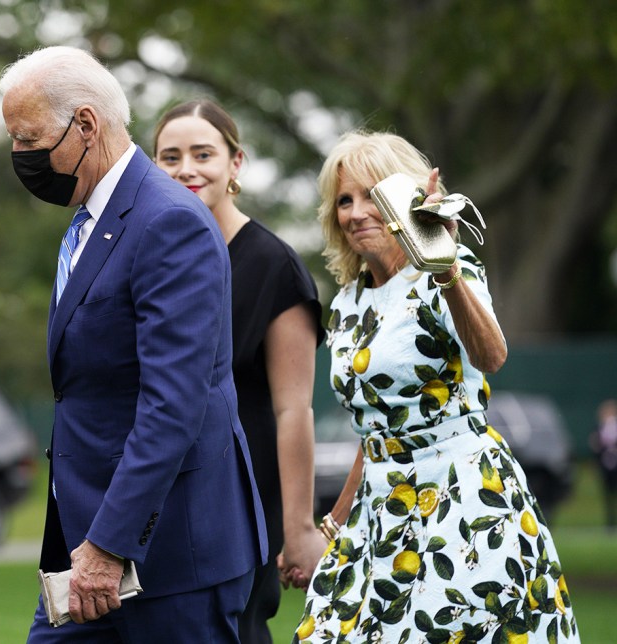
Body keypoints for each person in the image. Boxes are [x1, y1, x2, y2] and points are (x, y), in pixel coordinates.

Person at [0, 47, 267, 643]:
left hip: (170, 557)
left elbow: (173, 405)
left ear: (87, 124)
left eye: (29, 137)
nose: (19, 155)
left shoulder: (169, 222)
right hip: (88, 554)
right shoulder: (91, 219)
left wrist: (109, 544)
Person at [287, 131, 580, 642]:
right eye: (344, 201)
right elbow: (375, 427)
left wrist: (442, 269)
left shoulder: (447, 272)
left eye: (372, 196)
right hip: (380, 509)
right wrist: (330, 525)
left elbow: (492, 356)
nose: (356, 213)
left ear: (406, 199)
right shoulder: (348, 303)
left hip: (461, 498)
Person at [152, 99, 326, 643]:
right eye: (169, 156)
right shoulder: (153, 259)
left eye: (203, 154)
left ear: (236, 164)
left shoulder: (274, 266)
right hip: (161, 499)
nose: (186, 169)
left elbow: (293, 408)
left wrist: (299, 529)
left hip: (243, 505)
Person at [590, 399, 617, 530]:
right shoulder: (599, 428)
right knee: (608, 495)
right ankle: (610, 523)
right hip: (606, 465)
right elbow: (596, 446)